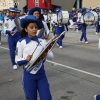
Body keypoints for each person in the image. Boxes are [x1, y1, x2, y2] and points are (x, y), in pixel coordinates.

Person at [15, 15, 54, 100]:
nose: (34, 29)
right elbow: (17, 60)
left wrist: (46, 54)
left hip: (41, 75)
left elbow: (52, 56)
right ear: (26, 29)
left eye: (36, 27)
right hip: (28, 75)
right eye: (31, 27)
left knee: (46, 97)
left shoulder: (42, 41)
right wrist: (25, 60)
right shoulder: (21, 42)